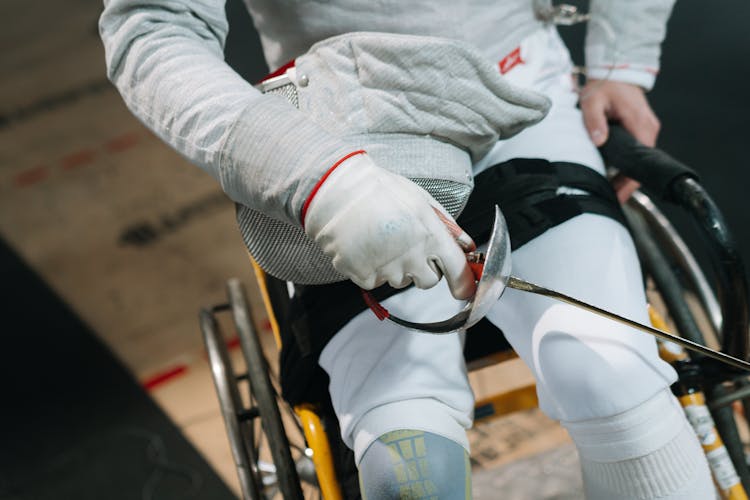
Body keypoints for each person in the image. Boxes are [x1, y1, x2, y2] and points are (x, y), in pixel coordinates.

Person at [100, 1, 715, 498]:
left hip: (520, 94)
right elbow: (152, 25)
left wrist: (622, 63)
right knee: (409, 455)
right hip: (345, 122)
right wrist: (322, 181)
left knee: (617, 387)